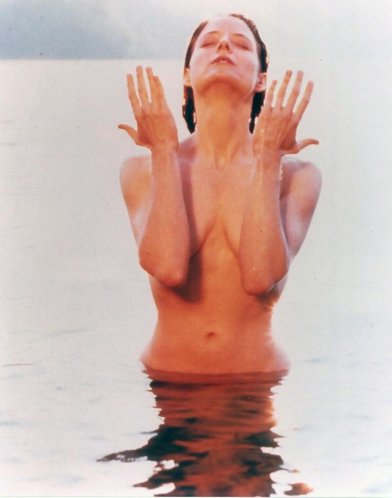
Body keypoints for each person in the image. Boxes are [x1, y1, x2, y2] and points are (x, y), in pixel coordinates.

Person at [118, 13, 321, 377]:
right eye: (210, 42)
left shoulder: (298, 177)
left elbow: (260, 276)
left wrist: (268, 157)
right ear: (186, 74)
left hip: (255, 387)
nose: (224, 45)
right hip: (169, 385)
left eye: (241, 44)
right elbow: (168, 267)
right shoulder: (141, 170)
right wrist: (163, 150)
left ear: (261, 80)